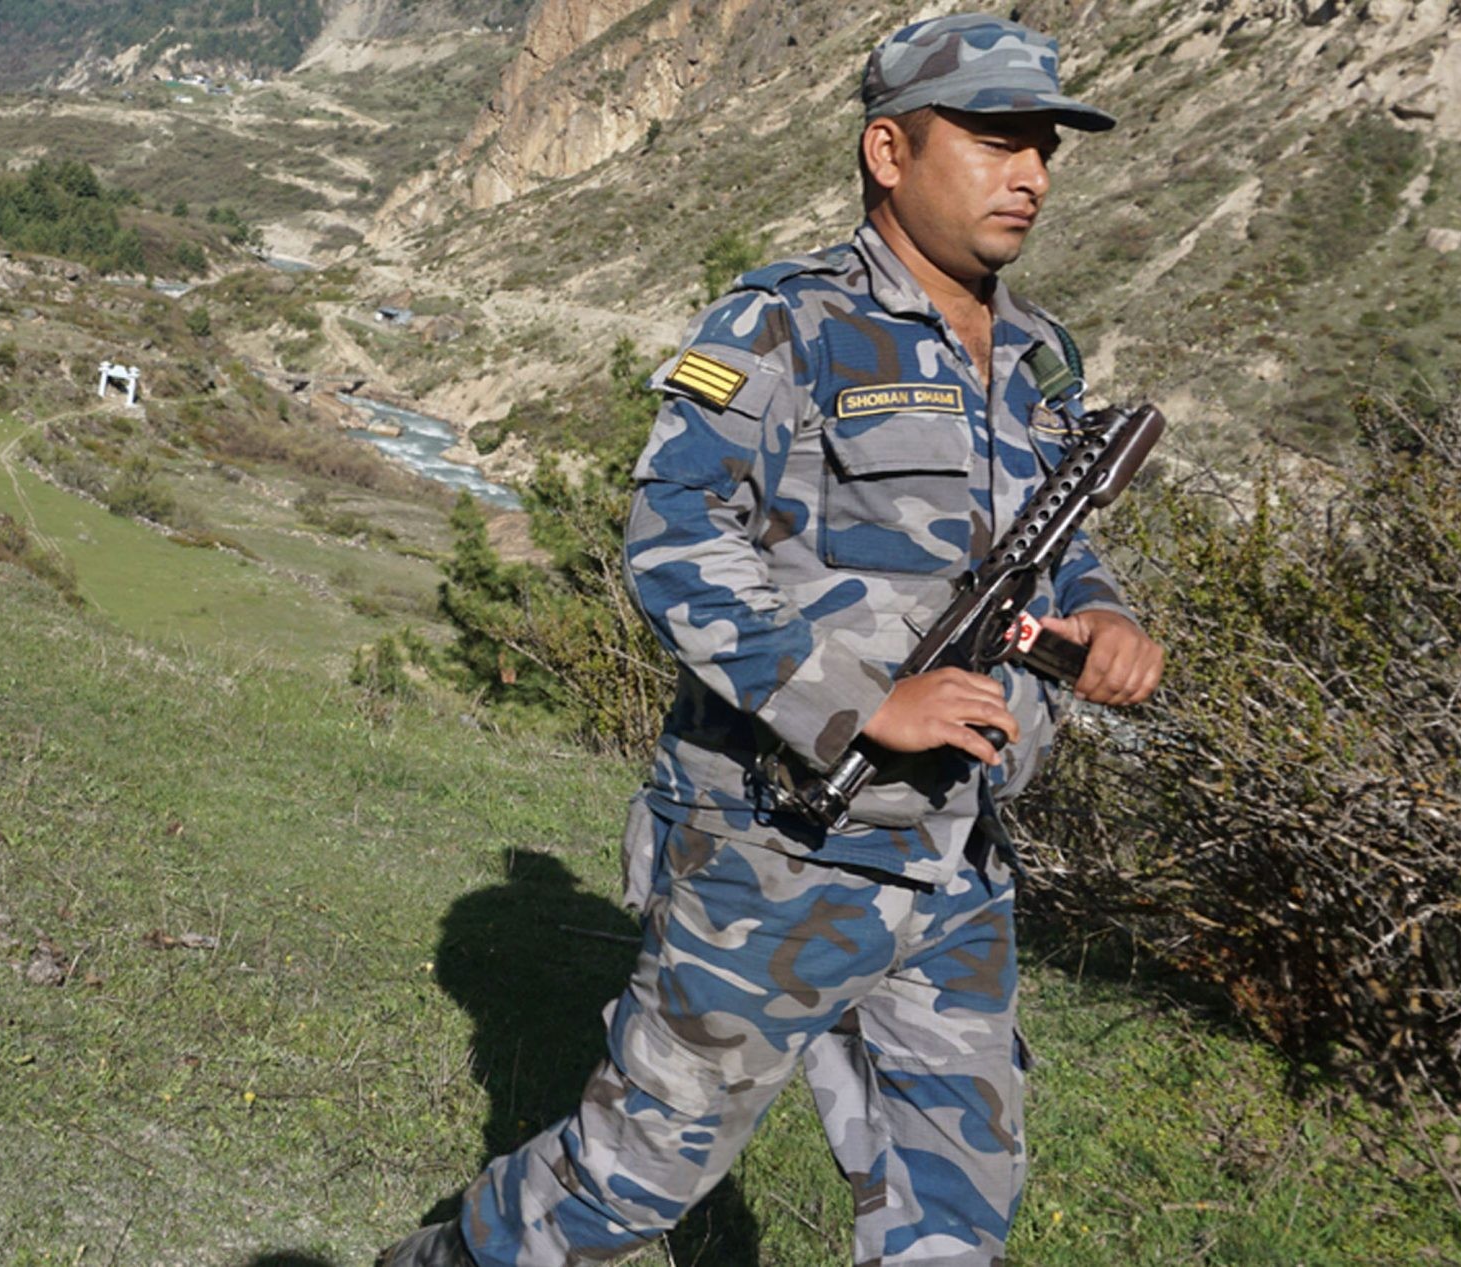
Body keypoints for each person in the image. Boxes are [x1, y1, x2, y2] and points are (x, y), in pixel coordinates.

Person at [380, 14, 1165, 1267]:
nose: (1029, 172)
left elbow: (1052, 540)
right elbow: (672, 536)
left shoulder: (1036, 358)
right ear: (888, 150)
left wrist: (1106, 614)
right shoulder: (782, 325)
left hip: (958, 853)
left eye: (1044, 146)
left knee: (955, 1215)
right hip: (779, 840)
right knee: (629, 1185)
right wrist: (853, 703)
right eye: (994, 138)